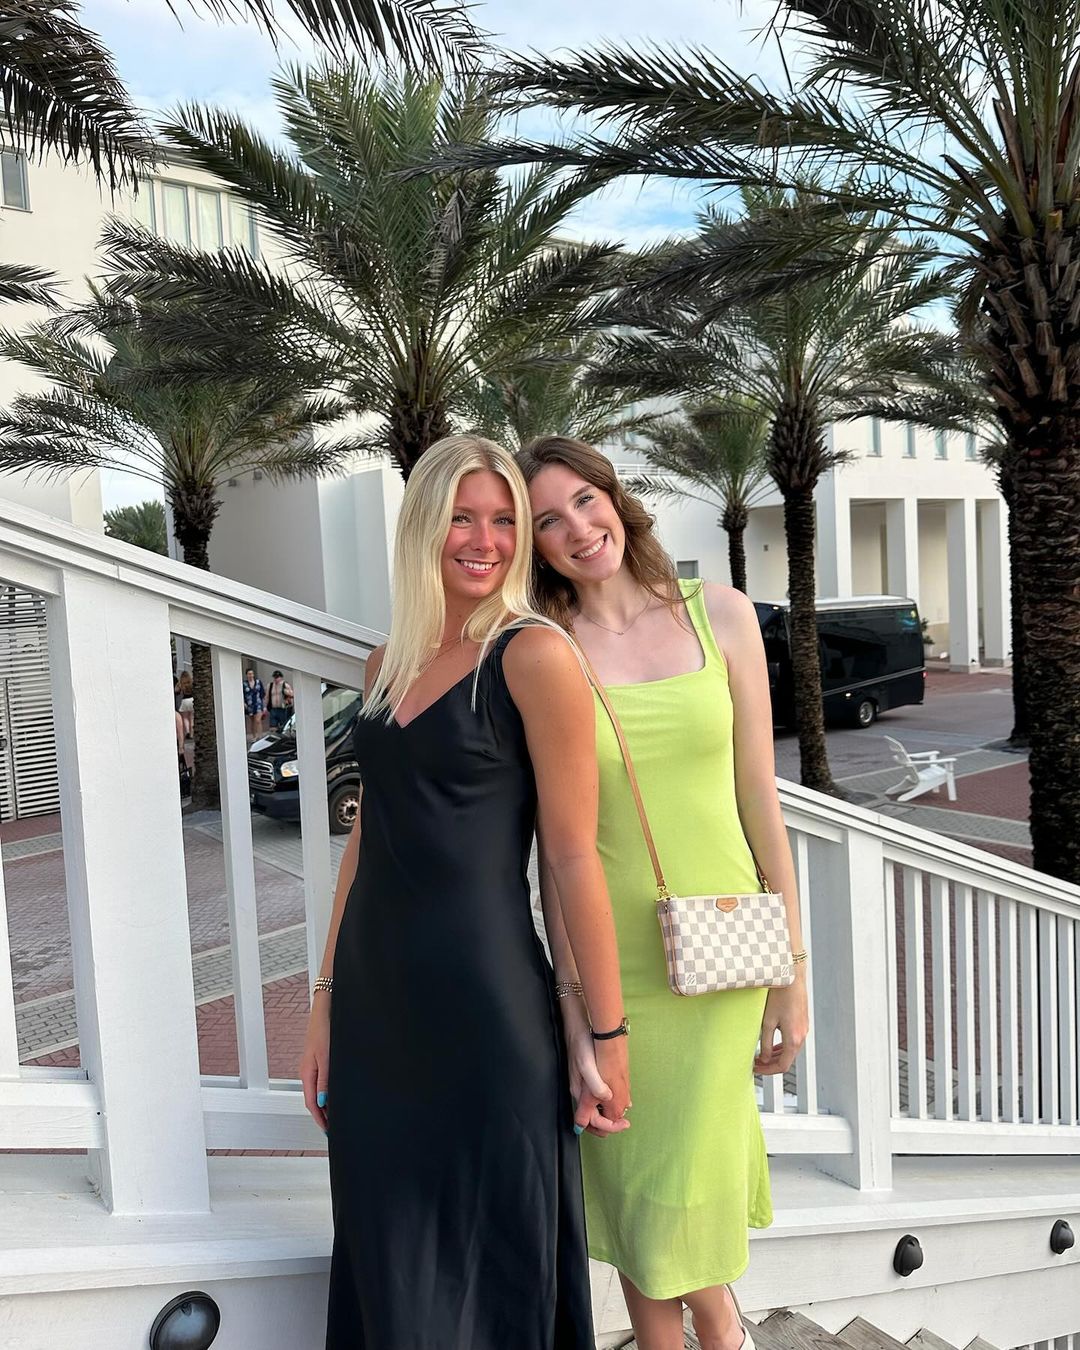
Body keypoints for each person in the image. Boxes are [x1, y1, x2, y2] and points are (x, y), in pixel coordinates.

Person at [298, 434, 631, 1350]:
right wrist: (325, 1003)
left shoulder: (533, 655)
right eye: (462, 518)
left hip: (487, 1013)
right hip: (376, 1013)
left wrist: (605, 1035)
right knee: (386, 1259)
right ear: (422, 527)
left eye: (504, 521)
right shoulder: (385, 664)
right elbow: (365, 840)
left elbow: (573, 858)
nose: (485, 541)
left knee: (493, 1270)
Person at [519, 436, 810, 1350]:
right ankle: (715, 1330)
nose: (578, 529)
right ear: (533, 546)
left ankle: (719, 1327)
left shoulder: (720, 614)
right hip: (617, 968)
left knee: (682, 1194)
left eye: (585, 500)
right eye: (548, 521)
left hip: (726, 952)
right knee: (641, 1200)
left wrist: (793, 971)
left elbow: (760, 800)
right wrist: (574, 1007)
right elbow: (555, 849)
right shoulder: (543, 650)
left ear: (615, 498)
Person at [243, 667, 265, 738]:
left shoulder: (258, 682)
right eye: (249, 674)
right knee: (253, 721)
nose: (251, 675)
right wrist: (244, 703)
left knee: (258, 720)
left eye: (252, 674)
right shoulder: (244, 684)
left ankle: (260, 736)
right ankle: (254, 736)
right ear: (247, 675)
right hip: (249, 705)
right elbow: (243, 694)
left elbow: (262, 693)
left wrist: (263, 704)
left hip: (258, 704)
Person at [177, 669, 194, 739]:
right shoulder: (191, 682)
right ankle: (192, 733)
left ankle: (187, 731)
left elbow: (176, 690)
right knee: (191, 718)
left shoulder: (181, 683)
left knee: (185, 718)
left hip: (185, 700)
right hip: (192, 700)